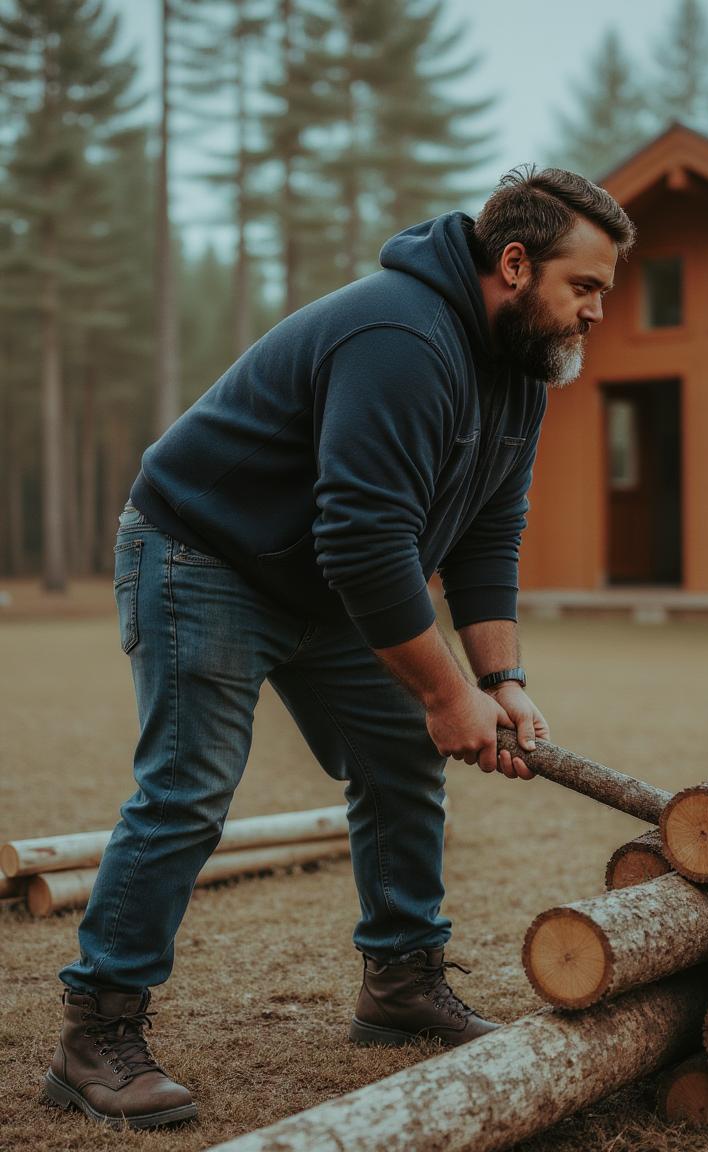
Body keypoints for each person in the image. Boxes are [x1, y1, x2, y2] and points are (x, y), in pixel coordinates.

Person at [44, 165, 635, 1129]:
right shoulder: (401, 336)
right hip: (204, 552)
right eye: (586, 286)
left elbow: (486, 537)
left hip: (322, 577)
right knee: (191, 785)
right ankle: (94, 1035)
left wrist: (501, 678)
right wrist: (448, 698)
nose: (597, 311)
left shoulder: (520, 374)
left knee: (399, 760)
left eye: (604, 291)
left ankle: (401, 982)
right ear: (516, 264)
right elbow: (364, 536)